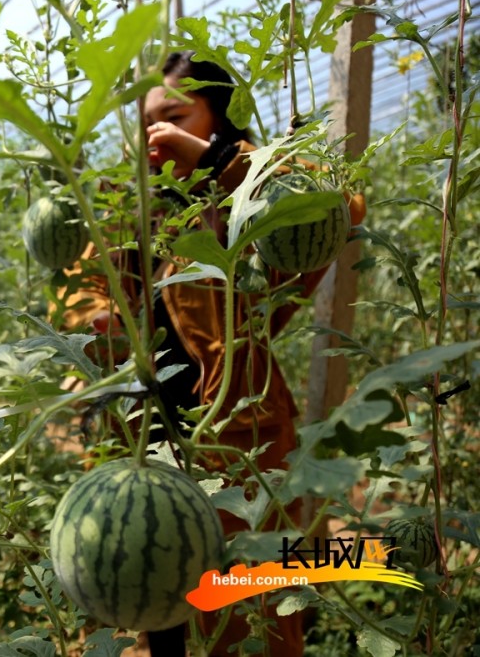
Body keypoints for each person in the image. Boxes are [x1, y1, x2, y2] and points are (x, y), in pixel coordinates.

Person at [56, 51, 367, 656]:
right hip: (143, 438)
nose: (157, 134)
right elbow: (81, 287)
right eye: (146, 121)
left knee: (253, 614)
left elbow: (339, 208)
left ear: (219, 118)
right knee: (159, 605)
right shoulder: (127, 200)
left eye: (174, 115)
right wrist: (91, 325)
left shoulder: (253, 188)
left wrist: (219, 163)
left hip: (238, 438)